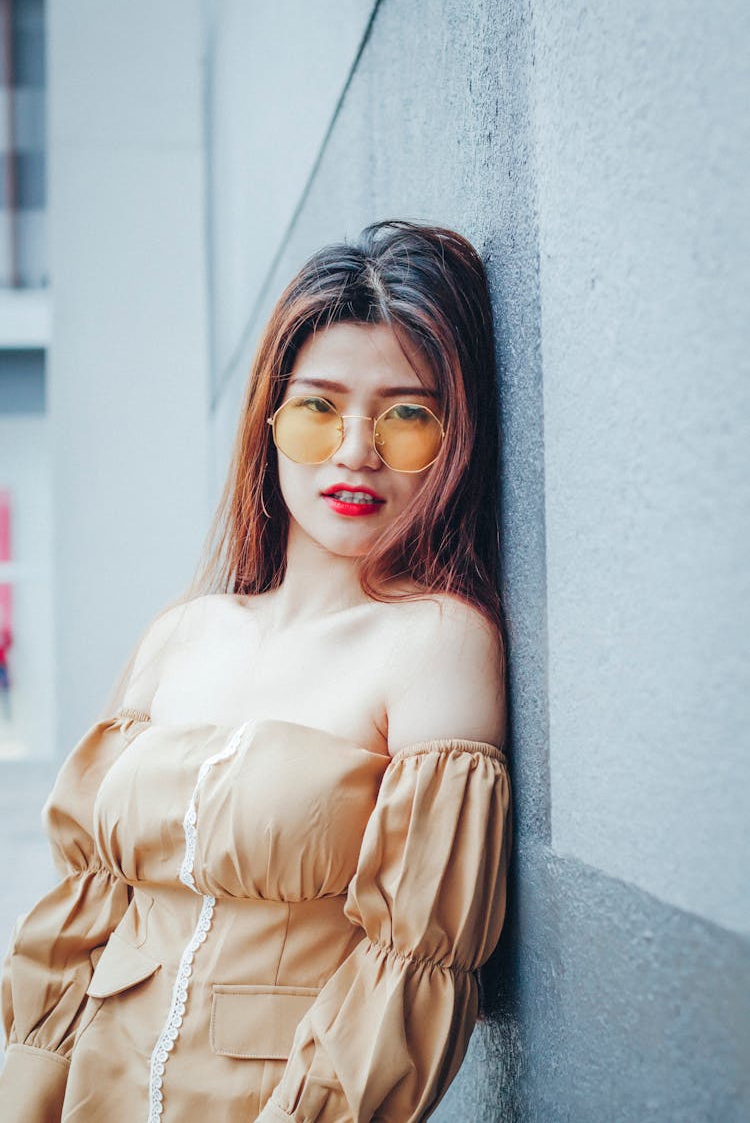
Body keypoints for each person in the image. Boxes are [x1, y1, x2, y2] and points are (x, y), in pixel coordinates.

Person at [0, 218, 512, 1122]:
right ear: (269, 420)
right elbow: (81, 917)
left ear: (454, 437)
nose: (356, 449)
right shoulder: (182, 632)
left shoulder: (437, 642)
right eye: (320, 406)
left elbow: (413, 969)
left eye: (407, 415)